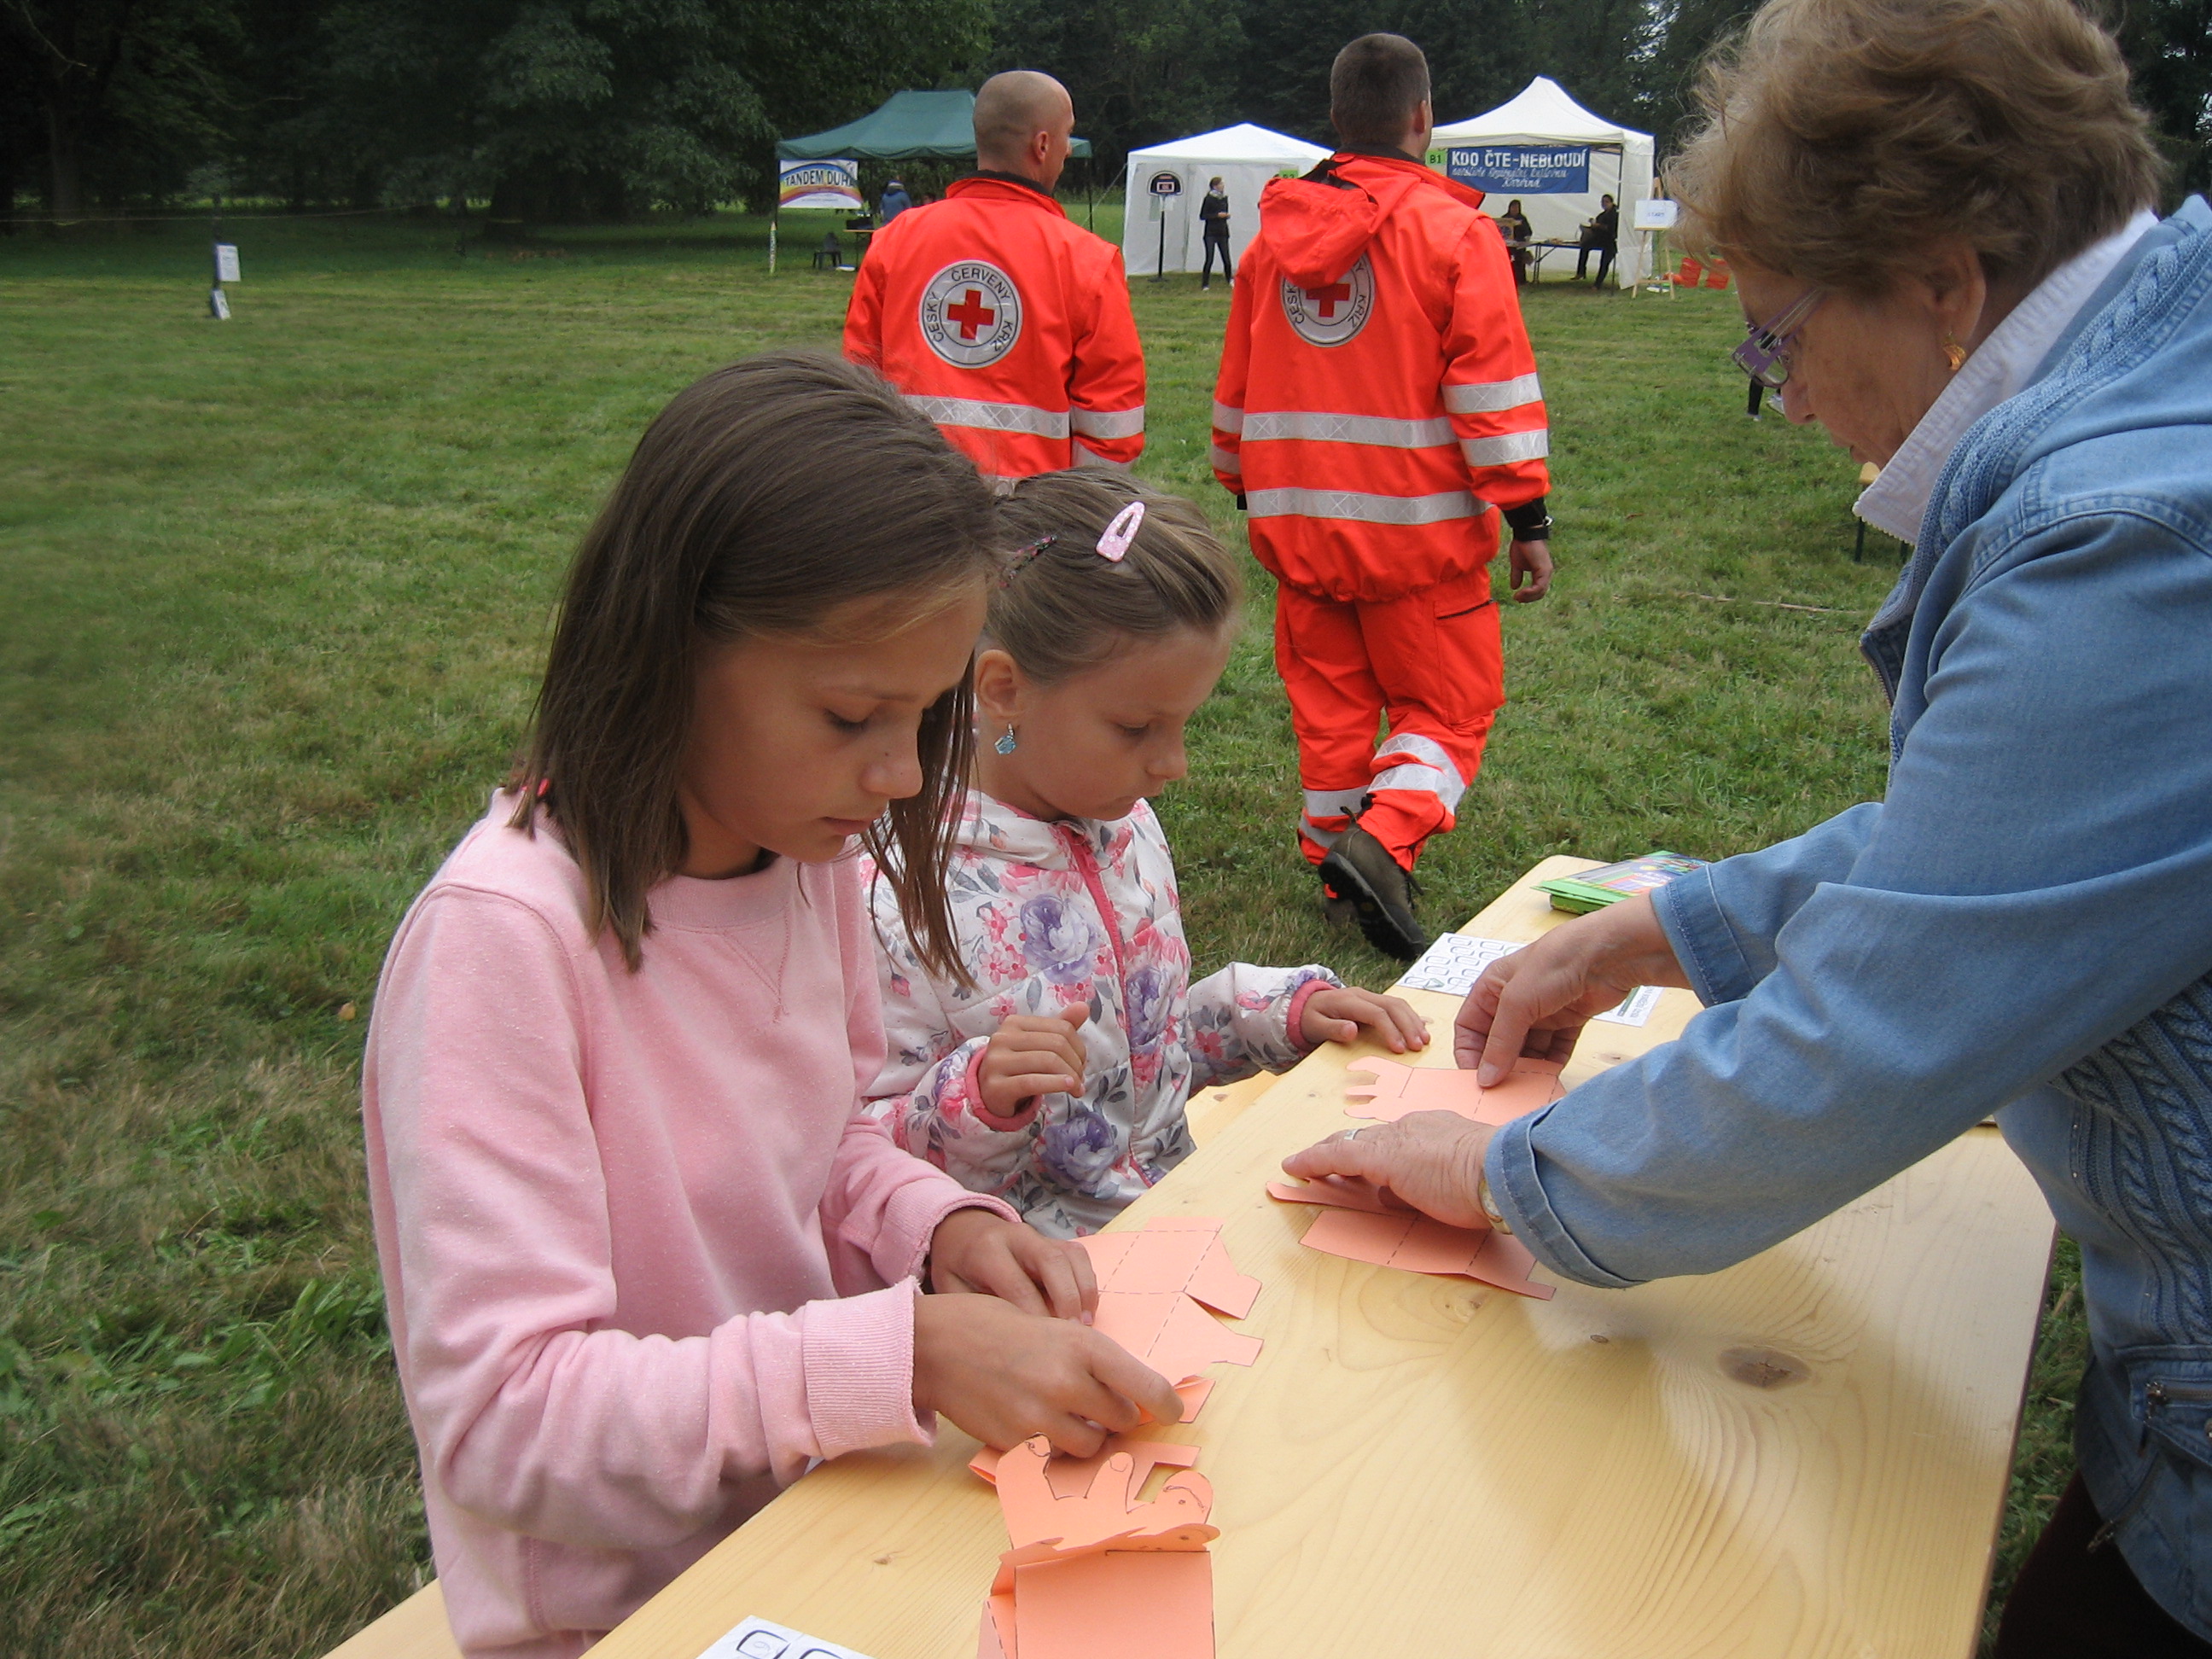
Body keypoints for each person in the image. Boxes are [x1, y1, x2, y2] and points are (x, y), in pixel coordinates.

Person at [1280, 0, 2212, 1652]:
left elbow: (1871, 1034)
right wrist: (1675, 925)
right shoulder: (2151, 424)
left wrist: (1503, 1170)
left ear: (1943, 283)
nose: (1776, 399)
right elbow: (2031, 843)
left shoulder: (2117, 540)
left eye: (1776, 337)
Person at [362, 352, 1183, 1659]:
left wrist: (936, 1228)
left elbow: (828, 1143)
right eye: (855, 712)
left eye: (923, 717)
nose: (901, 772)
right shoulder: (502, 947)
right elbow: (505, 1421)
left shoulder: (804, 852)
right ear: (669, 647)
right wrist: (901, 1356)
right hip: (630, 1614)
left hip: (831, 1515)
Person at [862, 473, 1429, 1236]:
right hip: (1030, 1287)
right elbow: (861, 1156)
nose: (1174, 764)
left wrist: (1267, 1014)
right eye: (1138, 728)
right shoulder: (897, 894)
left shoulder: (1122, 828)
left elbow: (1142, 1056)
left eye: (1183, 725)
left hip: (1173, 1224)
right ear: (1004, 690)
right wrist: (979, 1097)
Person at [1212, 33, 1557, 961]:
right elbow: (1493, 392)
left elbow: (1236, 387)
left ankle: (1335, 863)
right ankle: (1384, 839)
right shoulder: (1456, 236)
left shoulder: (1272, 242)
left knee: (1330, 714)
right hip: (1418, 542)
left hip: (1298, 533)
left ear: (1336, 121)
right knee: (1449, 713)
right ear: (1422, 119)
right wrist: (1527, 515)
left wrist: (1244, 483)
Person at [844, 71, 1145, 485]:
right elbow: (1112, 425)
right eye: (1067, 136)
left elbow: (857, 386)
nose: (1068, 151)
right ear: (1042, 145)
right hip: (1032, 522)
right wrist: (1076, 516)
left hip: (908, 505)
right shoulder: (1088, 261)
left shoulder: (893, 241)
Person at [1574, 193, 1618, 285]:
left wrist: (1598, 226)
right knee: (1584, 246)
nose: (1604, 204)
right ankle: (1581, 272)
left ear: (1611, 203)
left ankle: (1597, 284)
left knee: (1604, 261)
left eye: (1606, 202)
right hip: (1600, 238)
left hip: (1610, 240)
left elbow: (1612, 228)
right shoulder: (1602, 215)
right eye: (1602, 202)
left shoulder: (1615, 214)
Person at [1199, 176, 1234, 289]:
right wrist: (1217, 215)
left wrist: (1226, 216)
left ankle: (1230, 279)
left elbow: (1225, 212)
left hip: (1222, 231)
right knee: (1210, 258)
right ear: (1215, 186)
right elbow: (1203, 216)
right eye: (1221, 184)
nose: (1223, 185)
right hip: (1210, 233)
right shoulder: (1209, 198)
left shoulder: (1224, 198)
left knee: (1226, 258)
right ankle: (1205, 284)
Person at [1496, 198, 1534, 285]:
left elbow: (1528, 232)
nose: (1514, 209)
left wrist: (1520, 225)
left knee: (1520, 261)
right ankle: (1507, 279)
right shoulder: (1504, 218)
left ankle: (1521, 280)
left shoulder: (1522, 218)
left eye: (1516, 208)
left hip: (1519, 244)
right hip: (1507, 244)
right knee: (1506, 261)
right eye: (1513, 207)